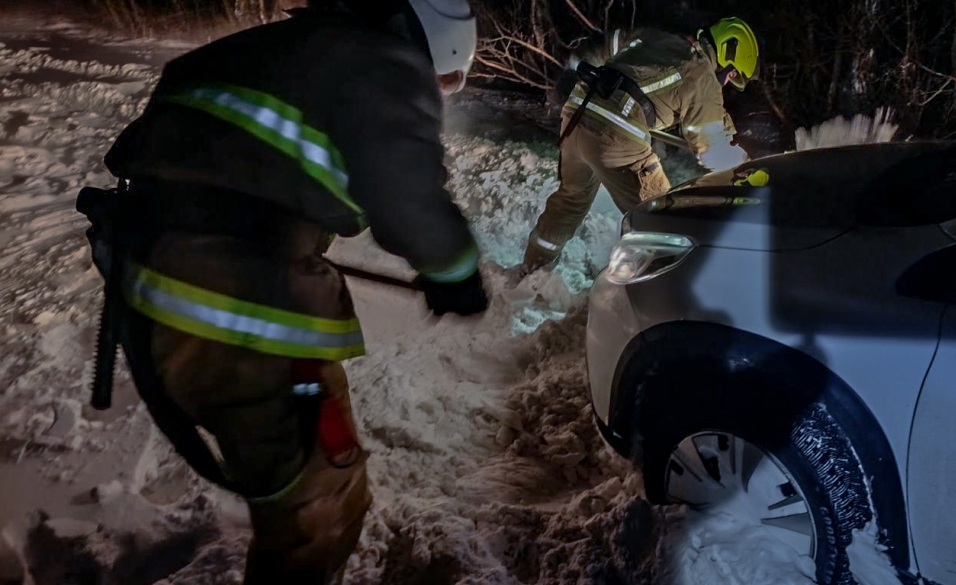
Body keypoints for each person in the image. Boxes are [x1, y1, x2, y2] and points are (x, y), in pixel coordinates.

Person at [78, 0, 486, 581]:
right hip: (235, 310)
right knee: (321, 502)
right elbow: (405, 196)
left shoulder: (269, 50)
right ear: (438, 44)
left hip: (147, 284)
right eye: (442, 80)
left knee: (293, 474)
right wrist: (457, 272)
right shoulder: (385, 62)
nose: (437, 94)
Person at [520, 17, 760, 274]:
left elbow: (611, 40)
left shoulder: (656, 36)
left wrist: (573, 66)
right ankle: (634, 300)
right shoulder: (702, 76)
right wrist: (744, 170)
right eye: (732, 74)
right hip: (613, 132)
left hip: (576, 113)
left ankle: (531, 272)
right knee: (665, 226)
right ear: (727, 53)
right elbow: (712, 150)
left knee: (570, 200)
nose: (727, 82)